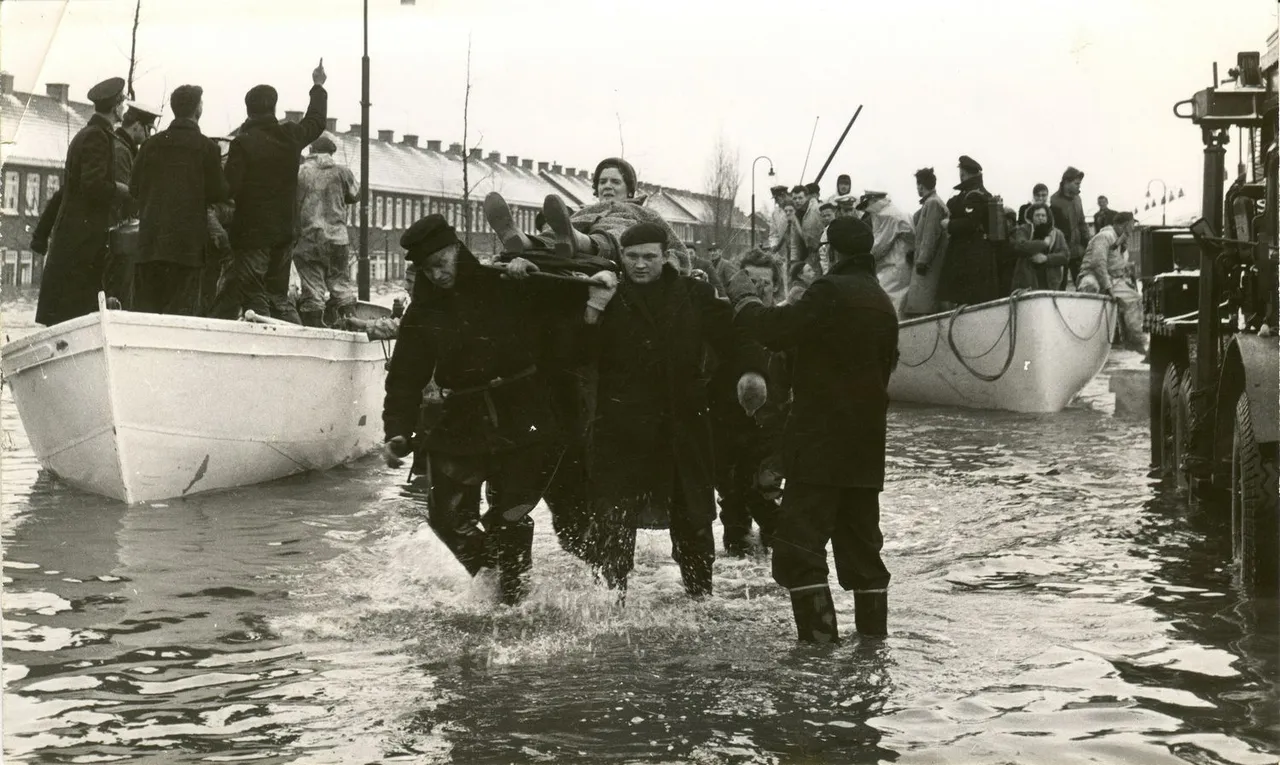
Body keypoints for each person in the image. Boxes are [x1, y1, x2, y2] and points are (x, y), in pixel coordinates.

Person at [380, 214, 604, 605]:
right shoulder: (423, 311)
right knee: (445, 517)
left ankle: (512, 602)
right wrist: (396, 429)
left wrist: (534, 277)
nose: (436, 275)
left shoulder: (506, 284)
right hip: (463, 416)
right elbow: (404, 376)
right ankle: (495, 575)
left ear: (457, 251)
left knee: (510, 515)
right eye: (426, 270)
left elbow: (567, 315)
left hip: (526, 414)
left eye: (441, 264)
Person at [723, 216, 899, 643]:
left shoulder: (829, 292)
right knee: (862, 554)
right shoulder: (881, 301)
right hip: (865, 448)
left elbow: (773, 330)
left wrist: (743, 295)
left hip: (820, 447)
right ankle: (871, 655)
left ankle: (818, 658)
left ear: (830, 252)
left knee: (797, 550)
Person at [578, 221, 767, 601]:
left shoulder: (693, 294)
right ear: (621, 258)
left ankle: (700, 601)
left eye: (649, 256)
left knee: (694, 521)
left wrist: (752, 371)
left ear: (666, 257)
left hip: (684, 423)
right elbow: (579, 357)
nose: (641, 265)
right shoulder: (609, 294)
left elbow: (735, 337)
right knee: (612, 524)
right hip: (622, 427)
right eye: (632, 257)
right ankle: (609, 607)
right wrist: (592, 311)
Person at [210, 60, 328, 323]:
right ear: (274, 108)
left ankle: (268, 345)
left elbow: (229, 188)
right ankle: (295, 340)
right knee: (278, 295)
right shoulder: (290, 135)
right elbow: (317, 121)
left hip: (252, 236)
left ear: (248, 111)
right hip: (285, 233)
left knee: (255, 296)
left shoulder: (243, 143)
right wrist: (317, 85)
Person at [35, 77, 133, 327]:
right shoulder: (97, 138)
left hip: (77, 239)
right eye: (123, 102)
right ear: (115, 106)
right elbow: (93, 185)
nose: (125, 108)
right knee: (73, 317)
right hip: (82, 241)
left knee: (70, 313)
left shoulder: (90, 134)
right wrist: (123, 190)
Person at [708, 248, 785, 556]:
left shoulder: (784, 323)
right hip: (729, 427)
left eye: (763, 282)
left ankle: (778, 577)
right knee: (732, 507)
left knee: (767, 500)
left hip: (773, 430)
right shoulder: (726, 323)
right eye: (749, 281)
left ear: (776, 286)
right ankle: (740, 584)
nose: (756, 288)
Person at [483, 157, 690, 271]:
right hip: (567, 239)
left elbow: (677, 249)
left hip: (610, 247)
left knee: (615, 230)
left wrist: (672, 266)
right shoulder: (586, 210)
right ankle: (522, 241)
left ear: (629, 190)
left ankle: (579, 241)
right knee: (559, 229)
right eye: (602, 182)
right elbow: (558, 226)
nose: (607, 186)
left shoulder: (643, 212)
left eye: (615, 181)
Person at [129, 85, 228, 315]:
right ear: (197, 109)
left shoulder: (150, 145)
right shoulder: (207, 148)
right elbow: (219, 193)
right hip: (187, 250)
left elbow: (134, 188)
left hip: (150, 245)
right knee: (179, 319)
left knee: (145, 317)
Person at [293, 135, 359, 327]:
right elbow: (355, 195)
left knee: (313, 290)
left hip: (308, 239)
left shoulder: (300, 172)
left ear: (311, 151)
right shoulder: (342, 172)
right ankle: (352, 326)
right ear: (331, 153)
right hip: (338, 239)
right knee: (341, 286)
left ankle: (314, 332)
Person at [936, 155, 1000, 308]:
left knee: (968, 298)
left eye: (961, 172)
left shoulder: (973, 196)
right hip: (976, 253)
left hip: (970, 254)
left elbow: (971, 223)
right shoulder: (978, 193)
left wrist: (949, 224)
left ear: (963, 173)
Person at [1078, 211, 1145, 351]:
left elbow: (1113, 262)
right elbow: (1098, 263)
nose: (1132, 228)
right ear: (1124, 225)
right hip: (1093, 275)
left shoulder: (1119, 240)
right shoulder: (1105, 236)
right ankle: (1083, 336)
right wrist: (1107, 286)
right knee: (1090, 288)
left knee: (1134, 299)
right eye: (1131, 225)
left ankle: (1135, 341)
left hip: (1113, 278)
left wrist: (1125, 267)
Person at [860, 191, 914, 317]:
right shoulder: (895, 211)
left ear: (873, 200)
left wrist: (862, 256)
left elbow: (879, 246)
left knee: (892, 302)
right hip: (901, 264)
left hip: (893, 266)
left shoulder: (888, 215)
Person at [905, 167, 949, 317]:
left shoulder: (932, 204)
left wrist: (922, 261)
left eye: (918, 184)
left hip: (927, 266)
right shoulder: (932, 203)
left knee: (923, 306)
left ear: (921, 185)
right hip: (930, 262)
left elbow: (930, 235)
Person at [1009, 203, 1070, 291]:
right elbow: (1020, 246)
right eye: (1037, 215)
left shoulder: (1057, 234)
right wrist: (1043, 243)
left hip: (1050, 283)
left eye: (1043, 215)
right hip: (1027, 283)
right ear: (1031, 217)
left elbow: (1065, 255)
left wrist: (1046, 258)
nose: (1040, 218)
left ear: (1048, 217)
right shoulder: (1024, 230)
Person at [1050, 167, 1090, 285]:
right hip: (1062, 250)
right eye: (1076, 183)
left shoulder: (1078, 199)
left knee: (1082, 284)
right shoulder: (1054, 200)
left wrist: (1087, 243)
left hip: (1078, 251)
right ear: (1067, 182)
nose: (1079, 186)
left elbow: (1082, 223)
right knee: (1059, 284)